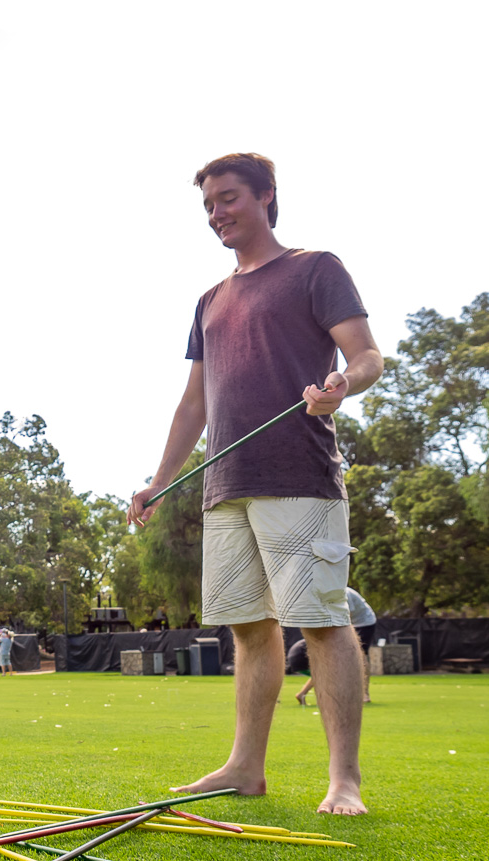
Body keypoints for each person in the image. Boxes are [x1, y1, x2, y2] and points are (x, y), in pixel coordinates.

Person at [127, 153, 383, 816]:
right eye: (208, 204)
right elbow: (193, 404)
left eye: (228, 198)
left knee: (319, 621)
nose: (217, 213)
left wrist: (340, 386)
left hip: (297, 474)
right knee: (246, 627)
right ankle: (244, 767)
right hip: (224, 483)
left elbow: (365, 354)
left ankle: (343, 779)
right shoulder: (208, 301)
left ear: (266, 196)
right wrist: (158, 482)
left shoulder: (313, 268)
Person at [295, 587, 378, 705]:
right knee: (330, 661)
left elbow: (345, 618)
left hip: (363, 623)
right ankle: (303, 693)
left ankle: (364, 694)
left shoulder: (343, 593)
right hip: (344, 623)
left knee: (361, 657)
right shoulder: (320, 594)